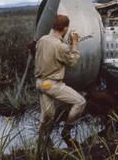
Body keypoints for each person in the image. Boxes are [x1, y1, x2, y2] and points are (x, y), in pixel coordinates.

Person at [34, 14, 86, 146]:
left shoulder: (42, 40)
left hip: (41, 83)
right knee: (80, 102)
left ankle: (41, 142)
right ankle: (66, 131)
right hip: (50, 84)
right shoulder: (59, 46)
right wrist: (75, 43)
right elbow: (73, 61)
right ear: (65, 28)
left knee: (48, 115)